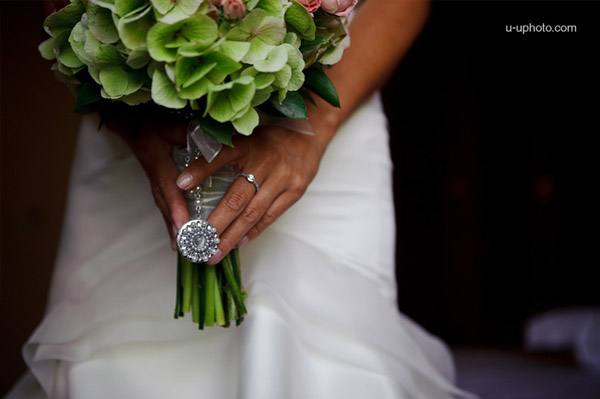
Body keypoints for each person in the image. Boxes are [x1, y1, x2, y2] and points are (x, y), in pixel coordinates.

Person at [8, 1, 474, 398]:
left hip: (329, 103)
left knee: (313, 355)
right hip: (135, 100)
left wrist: (309, 135)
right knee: (118, 362)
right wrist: (136, 126)